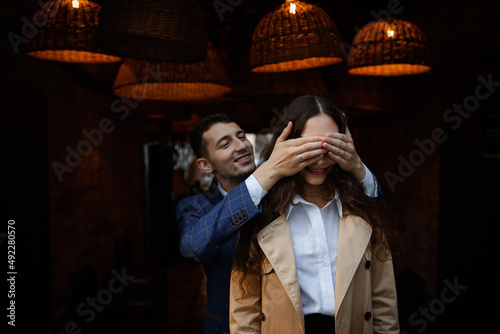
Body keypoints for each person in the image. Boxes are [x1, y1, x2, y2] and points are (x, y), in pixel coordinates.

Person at [176, 111, 384, 334]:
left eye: (241, 136)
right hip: (227, 327)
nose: (241, 146)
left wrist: (356, 165)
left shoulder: (283, 189)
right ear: (206, 165)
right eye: (225, 144)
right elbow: (194, 247)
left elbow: (376, 211)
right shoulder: (194, 206)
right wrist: (264, 174)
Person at [230, 95, 399, 334]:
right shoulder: (260, 213)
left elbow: (384, 301)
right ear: (287, 144)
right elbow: (245, 309)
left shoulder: (365, 209)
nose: (319, 157)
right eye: (308, 147)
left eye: (329, 146)